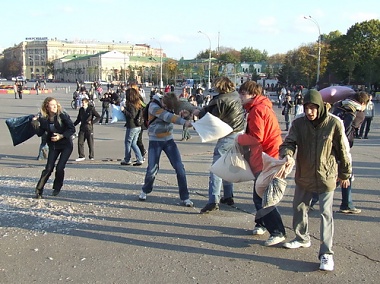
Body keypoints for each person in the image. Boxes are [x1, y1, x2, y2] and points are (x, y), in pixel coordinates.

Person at [279, 89, 352, 272]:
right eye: (307, 108)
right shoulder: (298, 124)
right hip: (304, 174)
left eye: (313, 108)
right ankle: (301, 237)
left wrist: (345, 174)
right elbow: (288, 142)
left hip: (326, 175)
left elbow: (343, 150)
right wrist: (287, 155)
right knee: (298, 207)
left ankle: (326, 253)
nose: (310, 112)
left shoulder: (334, 123)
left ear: (320, 107)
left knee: (325, 214)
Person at [236, 81, 286, 246]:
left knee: (262, 197)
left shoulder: (257, 110)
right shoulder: (260, 107)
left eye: (242, 94)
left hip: (266, 157)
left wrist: (240, 140)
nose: (240, 97)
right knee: (260, 194)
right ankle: (262, 223)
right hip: (269, 154)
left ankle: (277, 231)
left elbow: (257, 138)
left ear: (251, 94)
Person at [193, 77, 245, 213]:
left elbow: (212, 118)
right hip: (239, 133)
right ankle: (228, 196)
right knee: (228, 166)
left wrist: (199, 113)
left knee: (216, 168)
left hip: (228, 134)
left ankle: (213, 200)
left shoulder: (220, 100)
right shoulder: (236, 96)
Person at [138, 92, 194, 207]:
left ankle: (185, 197)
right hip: (155, 141)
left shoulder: (171, 103)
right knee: (152, 168)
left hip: (169, 140)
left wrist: (188, 114)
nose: (168, 109)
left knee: (180, 168)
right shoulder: (154, 106)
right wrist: (184, 122)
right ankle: (145, 190)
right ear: (163, 101)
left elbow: (186, 107)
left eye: (170, 108)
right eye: (167, 107)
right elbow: (167, 116)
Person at [332, 91, 369, 214]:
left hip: (330, 143)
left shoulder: (338, 105)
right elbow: (353, 130)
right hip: (343, 146)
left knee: (342, 175)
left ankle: (346, 203)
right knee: (343, 174)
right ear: (363, 103)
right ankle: (313, 199)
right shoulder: (359, 114)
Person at [31, 97, 76, 198]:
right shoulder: (43, 119)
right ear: (47, 106)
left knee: (60, 167)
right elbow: (40, 133)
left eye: (56, 104)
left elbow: (72, 129)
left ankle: (57, 187)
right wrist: (34, 123)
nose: (55, 106)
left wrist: (61, 136)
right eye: (52, 104)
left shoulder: (62, 116)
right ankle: (39, 190)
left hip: (66, 145)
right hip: (54, 145)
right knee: (48, 168)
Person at [120, 88, 144, 166]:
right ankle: (140, 158)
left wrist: (123, 110)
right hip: (138, 126)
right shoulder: (138, 103)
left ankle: (127, 159)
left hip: (132, 126)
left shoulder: (130, 104)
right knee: (133, 143)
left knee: (128, 142)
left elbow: (131, 115)